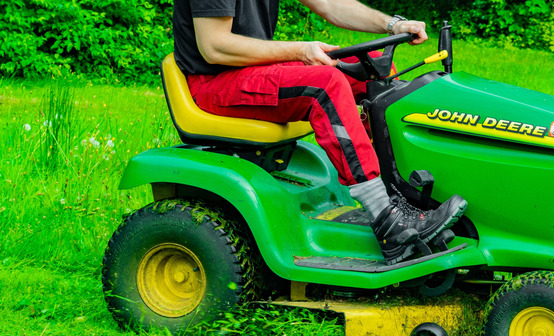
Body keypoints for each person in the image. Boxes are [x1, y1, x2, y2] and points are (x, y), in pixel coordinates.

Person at [172, 0, 467, 264]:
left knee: (367, 65)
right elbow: (214, 47)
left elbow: (329, 4)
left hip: (250, 69)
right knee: (326, 85)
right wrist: (300, 50)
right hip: (215, 83)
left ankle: (406, 197)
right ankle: (388, 222)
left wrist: (393, 24)